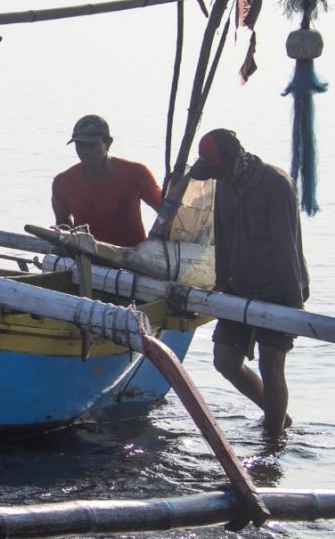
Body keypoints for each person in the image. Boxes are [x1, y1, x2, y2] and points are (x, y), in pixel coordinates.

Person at [189, 128, 309, 439]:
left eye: (217, 170)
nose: (216, 177)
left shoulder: (276, 185)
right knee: (225, 361)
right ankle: (278, 417)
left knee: (271, 367)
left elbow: (287, 248)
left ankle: (273, 440)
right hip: (239, 289)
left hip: (279, 291)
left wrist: (294, 307)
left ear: (233, 160)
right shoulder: (224, 187)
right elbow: (224, 240)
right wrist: (219, 284)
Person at [51, 114, 162, 247]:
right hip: (88, 259)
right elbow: (62, 223)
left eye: (91, 145)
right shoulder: (63, 182)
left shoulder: (136, 174)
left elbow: (166, 212)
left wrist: (154, 247)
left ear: (108, 143)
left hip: (133, 258)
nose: (84, 151)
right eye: (80, 145)